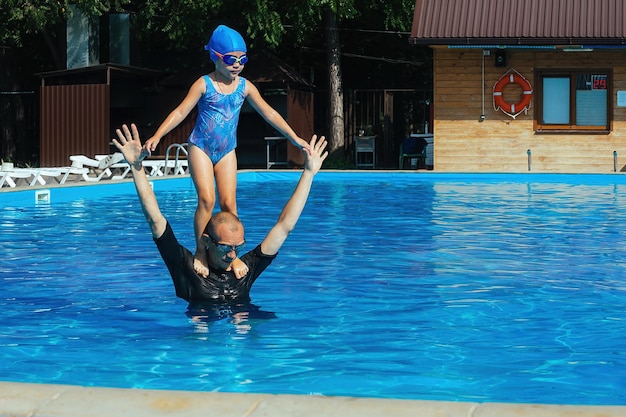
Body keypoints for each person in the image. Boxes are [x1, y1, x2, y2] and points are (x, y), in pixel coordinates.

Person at [142, 24, 310, 279]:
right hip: (200, 147)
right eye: (231, 59)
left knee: (230, 204)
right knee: (208, 200)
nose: (237, 65)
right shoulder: (204, 84)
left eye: (242, 60)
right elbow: (180, 112)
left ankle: (232, 254)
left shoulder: (245, 86)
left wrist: (294, 137)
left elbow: (270, 113)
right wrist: (157, 135)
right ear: (216, 57)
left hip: (226, 150)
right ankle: (201, 250)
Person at [113, 123, 327, 307]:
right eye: (225, 248)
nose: (233, 255)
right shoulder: (186, 268)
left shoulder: (245, 270)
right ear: (207, 242)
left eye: (238, 247)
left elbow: (284, 226)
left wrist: (308, 173)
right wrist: (136, 167)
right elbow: (155, 219)